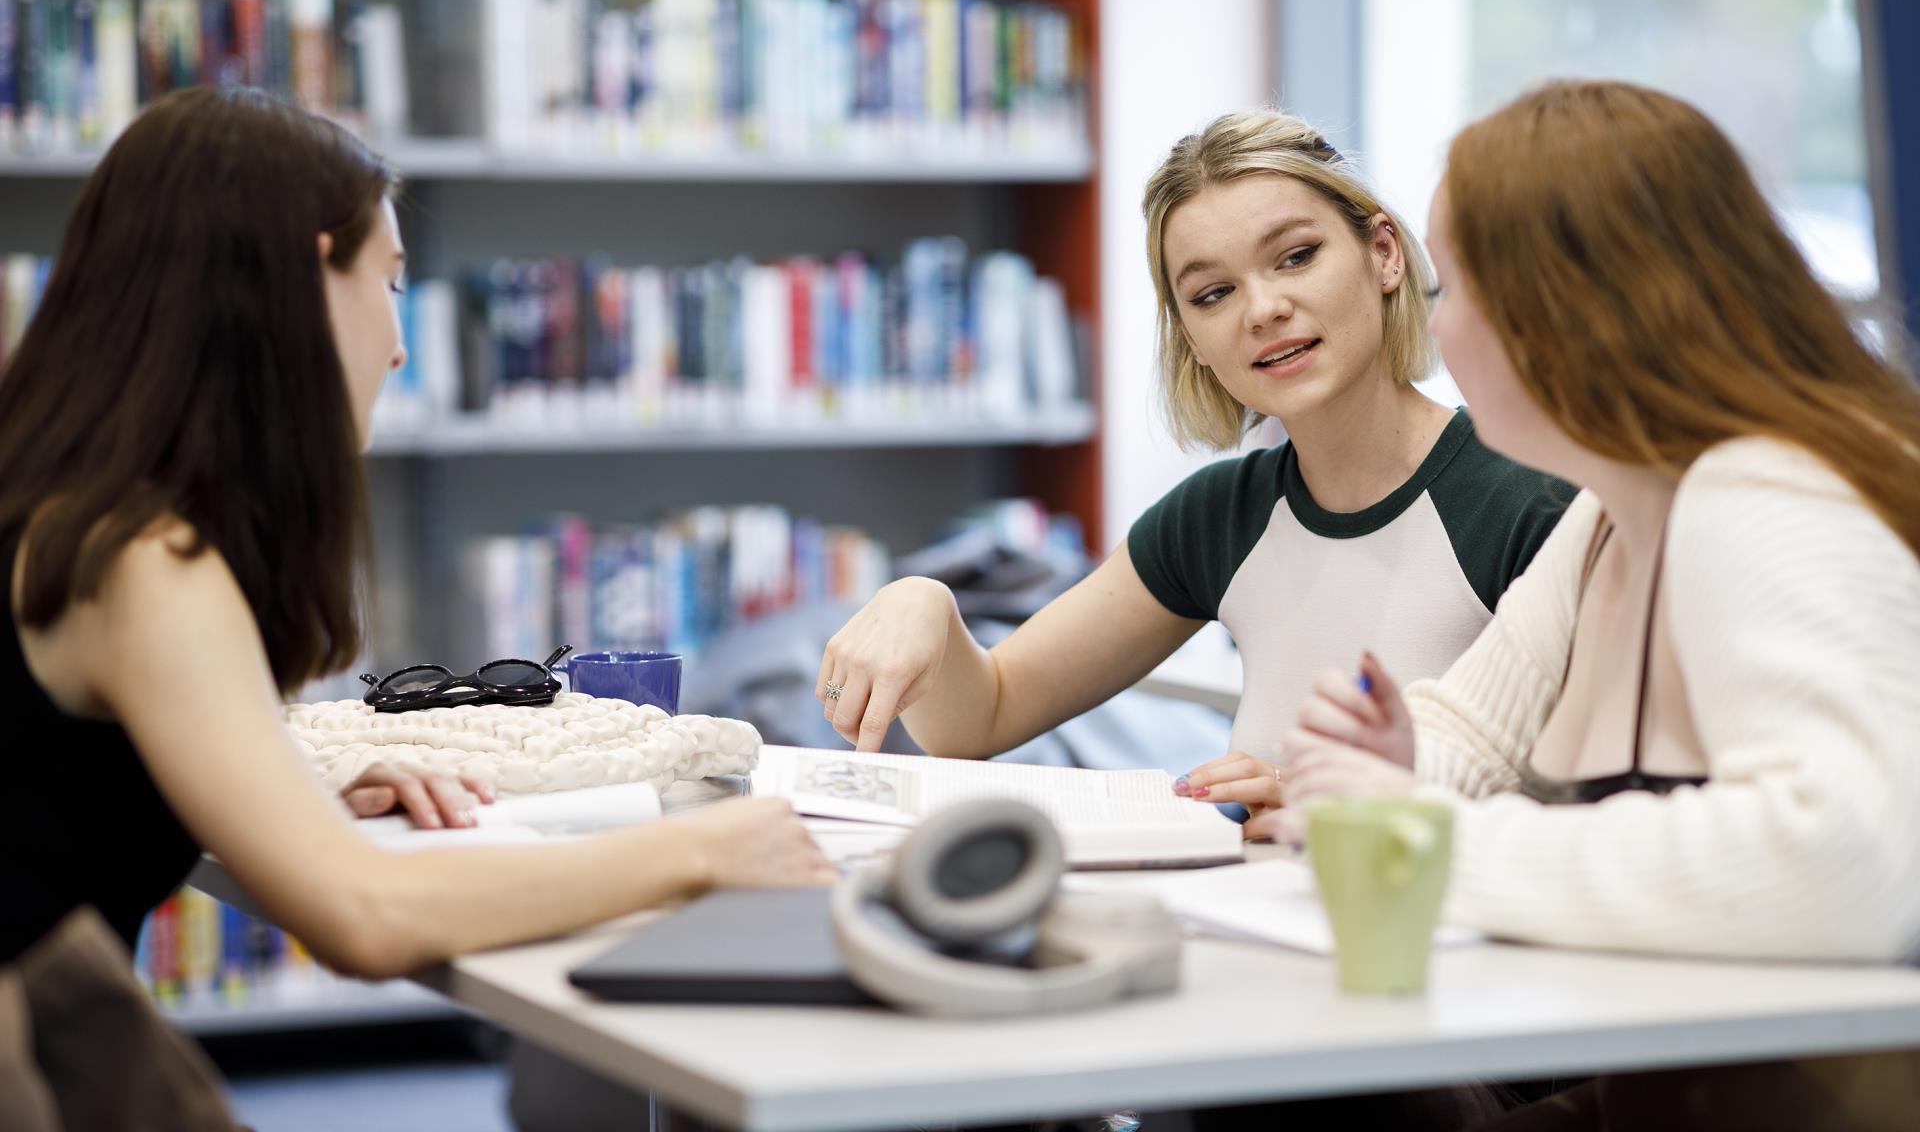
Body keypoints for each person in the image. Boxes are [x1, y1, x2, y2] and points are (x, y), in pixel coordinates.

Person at [0, 87, 832, 975]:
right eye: (390, 282)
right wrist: (701, 851)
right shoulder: (145, 560)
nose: (399, 347)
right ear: (308, 279)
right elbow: (368, 918)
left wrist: (295, 801)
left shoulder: (57, 510)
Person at [1272, 79, 1920, 1127]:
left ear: (1558, 309)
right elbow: (1466, 731)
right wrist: (1381, 767)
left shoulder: (1767, 491)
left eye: (1451, 293)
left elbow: (1837, 859)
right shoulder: (1617, 507)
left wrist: (1425, 851)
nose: (1435, 337)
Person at [816, 109, 1570, 825]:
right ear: (1195, 342)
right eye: (1213, 294)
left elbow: (1583, 806)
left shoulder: (1526, 500)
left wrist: (1333, 806)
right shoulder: (1220, 516)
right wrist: (924, 607)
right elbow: (983, 715)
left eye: (1297, 256)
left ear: (1384, 254)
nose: (1263, 309)